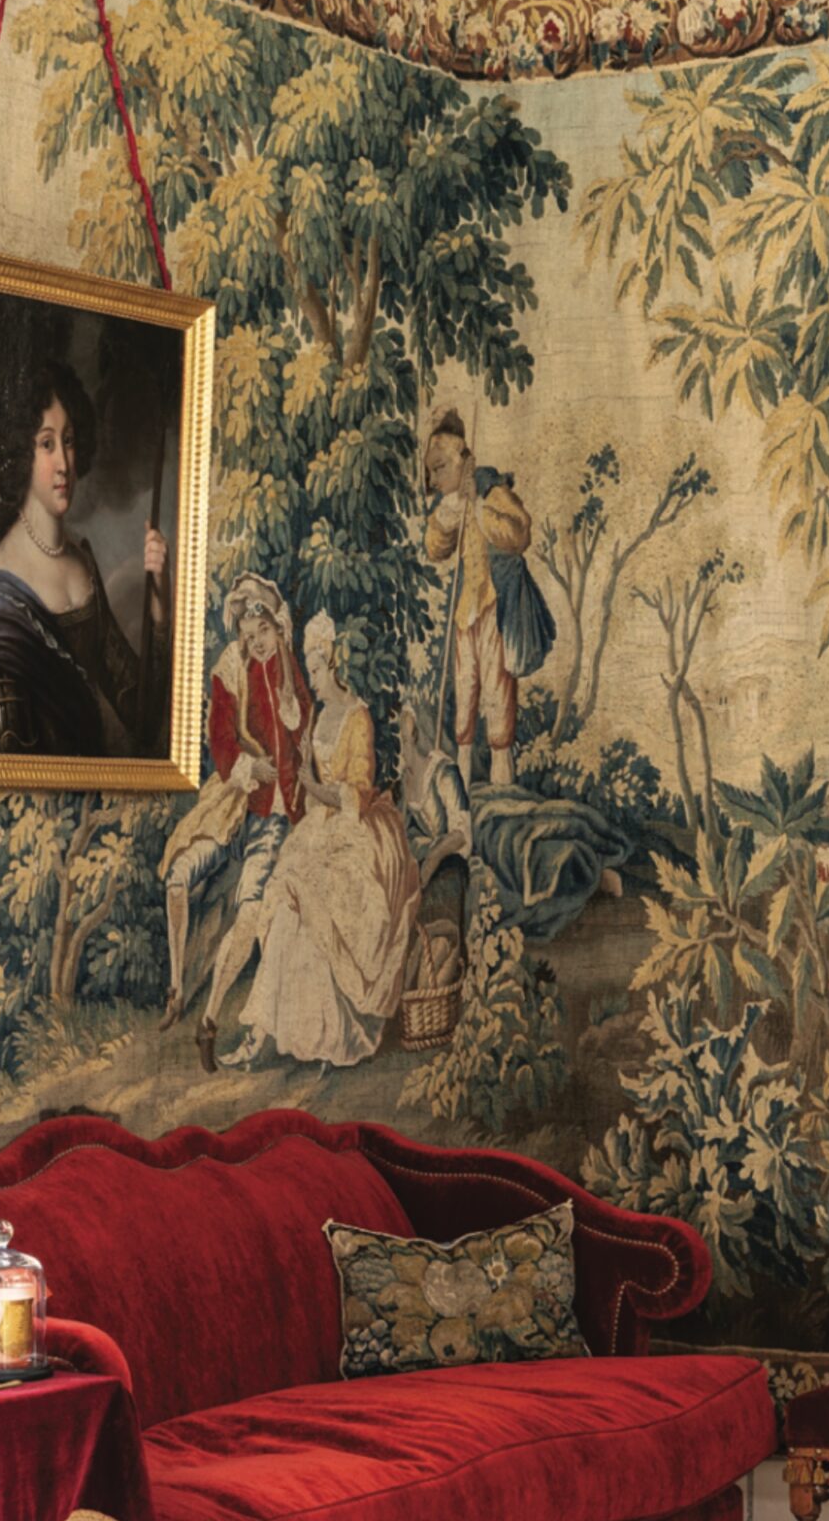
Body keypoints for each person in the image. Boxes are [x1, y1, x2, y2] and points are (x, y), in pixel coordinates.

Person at [0, 357, 170, 756]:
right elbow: (8, 759)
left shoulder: (82, 563)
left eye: (68, 441)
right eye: (47, 444)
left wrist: (159, 600)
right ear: (22, 453)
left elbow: (144, 718)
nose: (64, 464)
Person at [230, 613, 419, 1071]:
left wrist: (312, 785)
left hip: (358, 830)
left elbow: (358, 791)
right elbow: (311, 786)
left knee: (329, 901)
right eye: (310, 671)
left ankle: (334, 1036)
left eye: (315, 670)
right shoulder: (317, 717)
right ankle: (266, 1034)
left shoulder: (357, 717)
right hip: (322, 825)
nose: (310, 680)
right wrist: (308, 787)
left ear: (333, 666)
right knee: (286, 899)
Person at [158, 574, 311, 1067]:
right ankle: (176, 988)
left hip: (275, 814)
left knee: (249, 911)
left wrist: (289, 694)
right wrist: (249, 769)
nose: (257, 641)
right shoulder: (230, 670)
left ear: (276, 627)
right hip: (232, 803)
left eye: (264, 630)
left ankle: (209, 1020)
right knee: (178, 874)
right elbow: (221, 742)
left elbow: (301, 729)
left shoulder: (288, 668)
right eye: (249, 634)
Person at [423, 410, 551, 788]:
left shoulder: (493, 490)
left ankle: (501, 781)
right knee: (465, 690)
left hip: (496, 604)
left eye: (439, 468)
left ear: (462, 461)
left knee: (497, 691)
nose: (433, 480)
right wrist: (449, 516)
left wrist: (478, 507)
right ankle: (463, 783)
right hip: (467, 609)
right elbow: (435, 548)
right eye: (431, 471)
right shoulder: (450, 502)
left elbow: (518, 533)